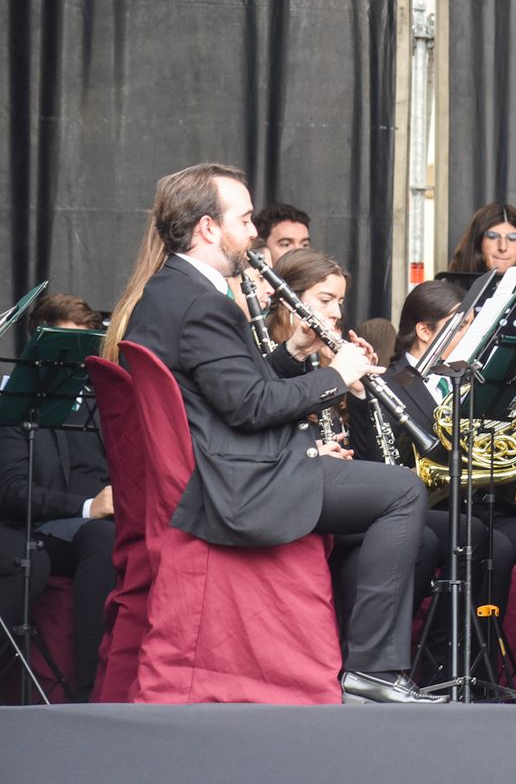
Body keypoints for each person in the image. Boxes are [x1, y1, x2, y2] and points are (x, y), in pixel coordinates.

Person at [104, 162, 438, 704]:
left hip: (223, 467)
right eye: (244, 218)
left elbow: (234, 388)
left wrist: (295, 354)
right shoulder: (203, 304)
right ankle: (374, 668)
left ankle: (372, 669)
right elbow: (250, 407)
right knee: (402, 491)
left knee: (386, 489)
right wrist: (337, 376)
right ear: (209, 228)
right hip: (236, 482)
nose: (254, 231)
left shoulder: (170, 292)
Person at [346, 278, 516, 681]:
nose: (471, 337)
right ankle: (445, 668)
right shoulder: (389, 384)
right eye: (461, 327)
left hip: (476, 500)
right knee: (489, 543)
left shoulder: (475, 381)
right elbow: (374, 458)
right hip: (426, 506)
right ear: (424, 331)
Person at [0, 294, 115, 699]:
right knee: (102, 539)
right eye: (64, 347)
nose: (75, 361)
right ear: (37, 347)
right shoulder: (14, 406)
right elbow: (11, 492)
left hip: (100, 520)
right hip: (45, 528)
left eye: (86, 347)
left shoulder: (101, 403)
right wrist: (87, 507)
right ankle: (88, 691)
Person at [448, 203, 516, 275]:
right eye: (492, 236)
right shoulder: (446, 291)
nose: (503, 247)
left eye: (513, 238)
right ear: (478, 241)